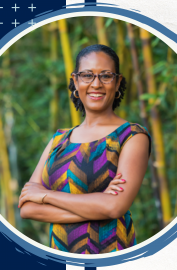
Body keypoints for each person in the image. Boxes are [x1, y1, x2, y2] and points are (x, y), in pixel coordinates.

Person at [18, 44, 151, 254]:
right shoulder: (59, 139)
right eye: (87, 75)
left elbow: (115, 207)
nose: (96, 84)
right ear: (75, 81)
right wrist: (99, 206)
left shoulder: (132, 136)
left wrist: (46, 196)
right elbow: (27, 208)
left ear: (117, 83)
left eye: (106, 76)